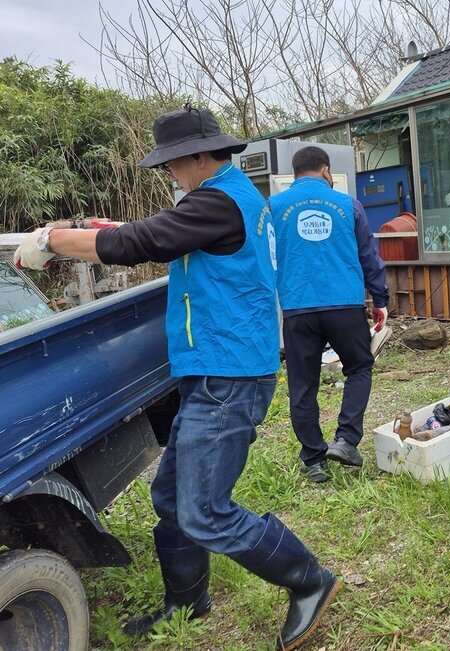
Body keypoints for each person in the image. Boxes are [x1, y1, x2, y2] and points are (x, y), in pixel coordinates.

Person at [14, 105, 338, 650]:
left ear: (197, 157)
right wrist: (88, 229)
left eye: (170, 164)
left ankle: (310, 580)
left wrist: (51, 240)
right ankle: (188, 600)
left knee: (205, 511)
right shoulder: (228, 197)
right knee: (171, 496)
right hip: (218, 369)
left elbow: (137, 244)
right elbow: (149, 231)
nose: (168, 173)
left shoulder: (217, 202)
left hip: (228, 375)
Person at [268, 146, 389, 480]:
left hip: (297, 308)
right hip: (344, 305)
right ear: (325, 170)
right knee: (359, 367)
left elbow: (264, 258)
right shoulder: (349, 205)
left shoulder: (273, 207)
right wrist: (380, 299)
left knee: (302, 384)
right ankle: (346, 440)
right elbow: (369, 256)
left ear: (296, 172)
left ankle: (314, 460)